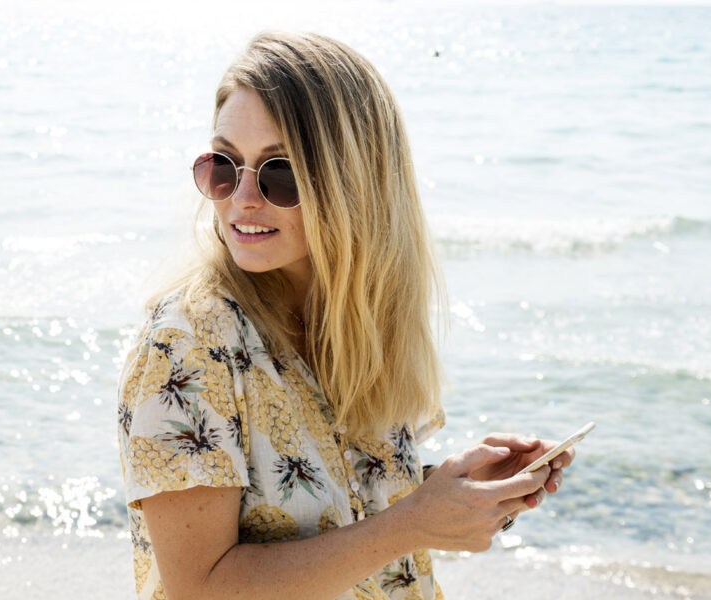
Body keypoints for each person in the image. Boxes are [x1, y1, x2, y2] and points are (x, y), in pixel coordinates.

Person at [117, 31, 576, 600]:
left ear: (353, 181)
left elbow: (342, 503)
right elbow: (200, 588)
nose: (242, 197)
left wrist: (455, 496)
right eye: (224, 165)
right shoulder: (187, 344)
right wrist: (412, 524)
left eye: (280, 172)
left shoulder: (357, 323)